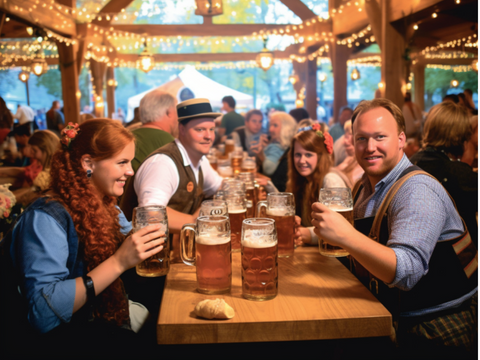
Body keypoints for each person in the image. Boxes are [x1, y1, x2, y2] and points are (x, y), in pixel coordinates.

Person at [311, 98, 477, 358]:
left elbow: (407, 272)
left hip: (433, 329)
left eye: (380, 137)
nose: (370, 147)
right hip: (387, 316)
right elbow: (359, 238)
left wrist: (345, 235)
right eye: (361, 139)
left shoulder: (417, 190)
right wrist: (313, 233)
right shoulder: (365, 187)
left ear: (401, 139)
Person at [8, 119, 165, 357]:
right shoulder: (44, 217)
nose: (131, 171)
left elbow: (130, 247)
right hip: (61, 341)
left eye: (130, 162)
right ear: (88, 163)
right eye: (122, 162)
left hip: (102, 320)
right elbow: (43, 314)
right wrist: (119, 262)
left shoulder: (107, 205)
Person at [133, 98, 223, 232]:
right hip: (157, 251)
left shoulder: (200, 160)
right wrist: (195, 221)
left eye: (212, 129)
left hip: (182, 248)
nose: (209, 136)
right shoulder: (163, 163)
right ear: (182, 129)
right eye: (200, 129)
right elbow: (150, 215)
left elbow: (220, 187)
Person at [410, 102, 478, 248]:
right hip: (456, 262)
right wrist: (467, 159)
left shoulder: (413, 161)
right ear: (461, 137)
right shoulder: (457, 173)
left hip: (420, 253)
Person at [118, 90, 177, 220]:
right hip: (146, 222)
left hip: (117, 217)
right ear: (169, 113)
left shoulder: (125, 136)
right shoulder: (171, 144)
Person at [286, 123, 341, 246]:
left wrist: (305, 234)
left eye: (308, 155)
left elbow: (337, 229)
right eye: (298, 155)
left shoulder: (331, 179)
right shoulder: (303, 180)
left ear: (320, 156)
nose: (301, 160)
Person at [2, 130, 59, 205]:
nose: (32, 153)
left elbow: (31, 191)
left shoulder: (52, 173)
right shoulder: (43, 164)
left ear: (47, 150)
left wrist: (6, 200)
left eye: (34, 150)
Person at [253, 111, 296, 176]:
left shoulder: (276, 147)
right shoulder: (292, 145)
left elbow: (269, 170)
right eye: (270, 125)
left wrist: (261, 155)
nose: (270, 129)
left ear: (286, 128)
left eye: (275, 125)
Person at [333, 120, 364, 189]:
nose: (344, 141)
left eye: (347, 136)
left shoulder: (363, 163)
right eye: (345, 136)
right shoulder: (349, 159)